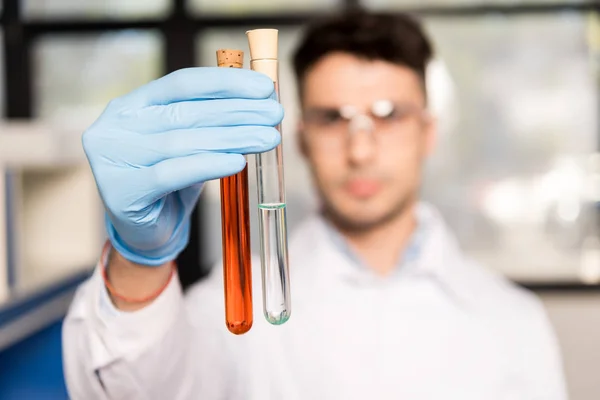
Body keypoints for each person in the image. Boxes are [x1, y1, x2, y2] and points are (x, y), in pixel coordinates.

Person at [63, 11, 567, 400]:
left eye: (387, 116)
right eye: (333, 118)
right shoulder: (235, 304)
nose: (361, 149)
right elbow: (139, 389)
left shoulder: (514, 320)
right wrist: (137, 260)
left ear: (427, 131)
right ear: (299, 139)